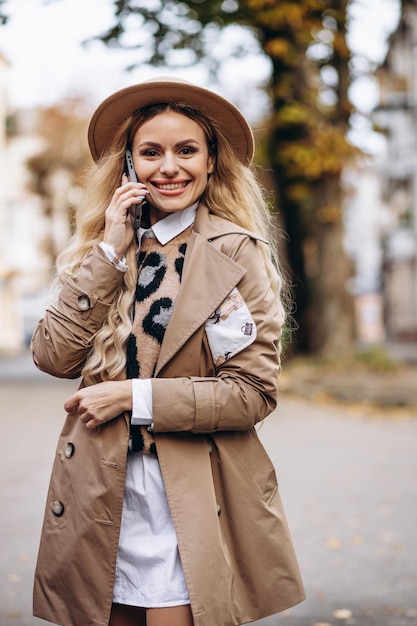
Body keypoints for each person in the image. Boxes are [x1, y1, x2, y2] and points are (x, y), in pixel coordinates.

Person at [31, 76, 305, 626]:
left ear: (210, 163)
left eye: (187, 151)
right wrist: (109, 249)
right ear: (128, 166)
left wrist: (134, 396)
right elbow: (53, 356)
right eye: (150, 152)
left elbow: (251, 394)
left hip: (190, 493)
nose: (169, 167)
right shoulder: (102, 251)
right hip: (101, 490)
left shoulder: (235, 253)